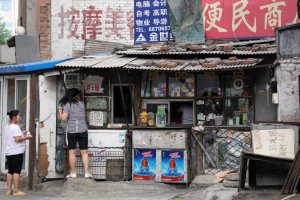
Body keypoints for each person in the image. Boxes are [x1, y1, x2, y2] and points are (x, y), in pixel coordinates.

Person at [58, 88, 92, 179]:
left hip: (72, 131)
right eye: (79, 94)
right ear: (76, 95)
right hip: (83, 130)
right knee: (84, 152)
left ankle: (73, 173)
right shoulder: (82, 104)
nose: (79, 96)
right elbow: (77, 114)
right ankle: (86, 173)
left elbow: (63, 118)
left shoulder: (68, 105)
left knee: (72, 152)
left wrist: (60, 111)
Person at [5, 110, 32, 196]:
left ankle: (9, 190)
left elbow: (14, 137)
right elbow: (17, 139)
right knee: (16, 171)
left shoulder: (7, 126)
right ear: (14, 117)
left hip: (9, 152)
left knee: (10, 171)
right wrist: (26, 137)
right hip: (16, 152)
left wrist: (22, 133)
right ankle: (16, 191)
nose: (20, 118)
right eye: (19, 116)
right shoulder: (15, 127)